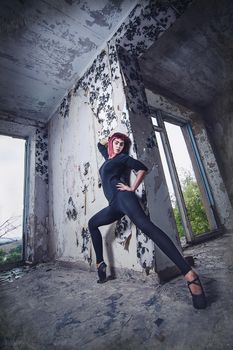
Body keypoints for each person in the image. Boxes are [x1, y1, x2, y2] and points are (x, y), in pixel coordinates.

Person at [88, 132, 207, 309]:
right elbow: (100, 144)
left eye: (122, 144)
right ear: (111, 143)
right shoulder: (108, 157)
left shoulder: (122, 159)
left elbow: (142, 168)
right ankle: (100, 263)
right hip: (113, 205)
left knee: (147, 228)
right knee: (92, 223)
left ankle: (189, 274)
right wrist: (112, 137)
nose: (119, 146)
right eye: (117, 143)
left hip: (124, 198)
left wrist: (132, 187)